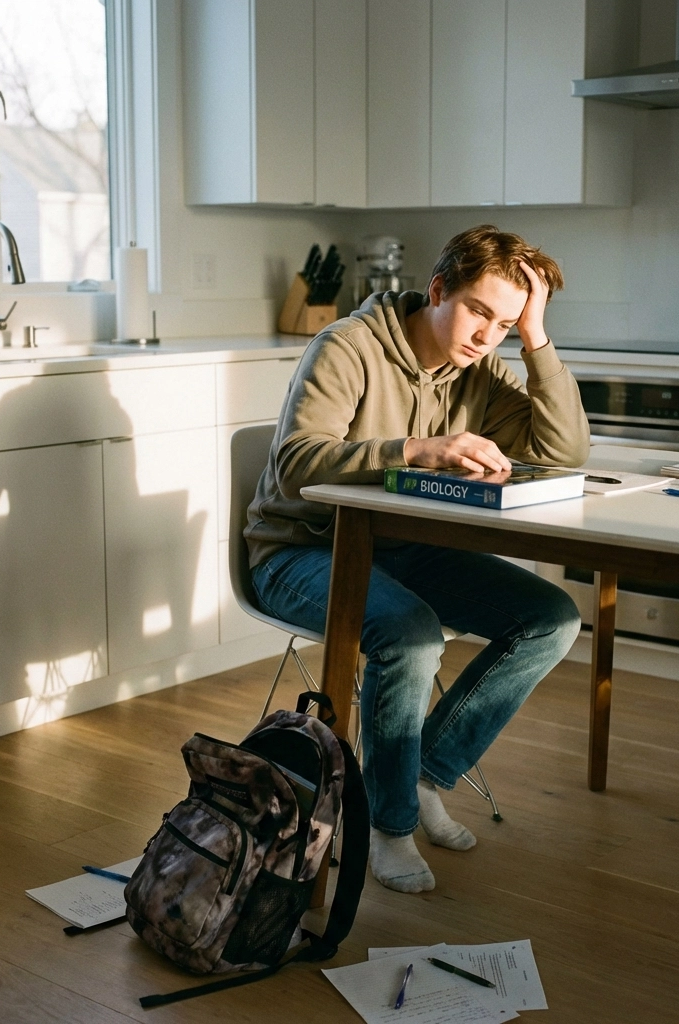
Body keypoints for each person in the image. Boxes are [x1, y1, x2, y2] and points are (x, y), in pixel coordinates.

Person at [245, 225, 590, 893]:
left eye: (506, 322)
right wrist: (417, 450)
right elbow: (295, 468)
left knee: (551, 618)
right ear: (438, 291)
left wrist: (537, 338)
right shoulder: (347, 347)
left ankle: (425, 773)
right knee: (409, 634)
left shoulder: (482, 368)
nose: (488, 335)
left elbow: (563, 451)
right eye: (479, 311)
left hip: (400, 547)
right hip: (299, 550)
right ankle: (390, 825)